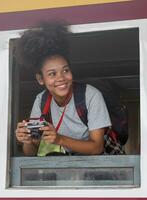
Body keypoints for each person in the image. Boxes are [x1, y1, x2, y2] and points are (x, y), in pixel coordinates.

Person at [14, 22, 111, 156]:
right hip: (76, 165)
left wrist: (59, 139)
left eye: (65, 70)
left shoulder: (91, 95)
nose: (61, 78)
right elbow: (31, 154)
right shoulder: (41, 100)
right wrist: (27, 140)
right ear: (40, 79)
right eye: (52, 74)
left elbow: (97, 148)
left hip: (106, 164)